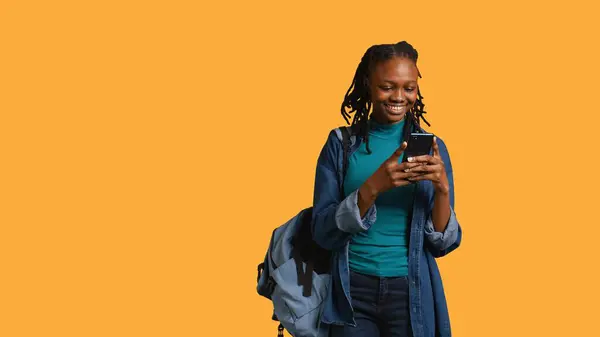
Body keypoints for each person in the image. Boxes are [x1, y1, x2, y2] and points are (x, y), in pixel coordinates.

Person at [311, 41, 462, 337]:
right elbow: (321, 232)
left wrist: (442, 189)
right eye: (387, 86)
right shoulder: (341, 145)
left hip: (411, 290)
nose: (398, 97)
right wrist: (373, 188)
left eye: (409, 88)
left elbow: (441, 244)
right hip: (352, 290)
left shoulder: (432, 147)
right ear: (368, 85)